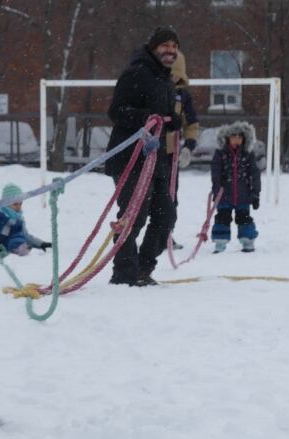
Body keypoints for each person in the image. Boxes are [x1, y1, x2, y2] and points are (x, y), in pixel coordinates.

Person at [104, 26, 182, 287]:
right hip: (131, 158)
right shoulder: (136, 72)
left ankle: (143, 268)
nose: (170, 51)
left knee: (165, 215)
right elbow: (116, 111)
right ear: (153, 47)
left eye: (174, 46)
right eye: (165, 45)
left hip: (155, 159)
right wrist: (144, 117)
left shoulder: (165, 80)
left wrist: (173, 121)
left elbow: (165, 115)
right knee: (133, 216)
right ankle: (124, 273)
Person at [166, 49, 200, 250]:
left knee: (170, 198)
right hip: (148, 153)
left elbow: (191, 123)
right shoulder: (150, 88)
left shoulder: (182, 96)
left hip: (171, 155)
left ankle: (166, 234)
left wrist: (189, 146)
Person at [210, 121, 261, 253]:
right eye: (233, 137)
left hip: (243, 195)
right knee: (222, 219)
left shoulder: (247, 155)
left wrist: (255, 194)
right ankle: (220, 243)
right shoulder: (221, 154)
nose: (236, 140)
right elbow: (215, 173)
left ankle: (247, 241)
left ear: (244, 139)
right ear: (227, 138)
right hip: (224, 195)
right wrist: (217, 191)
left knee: (244, 219)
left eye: (239, 137)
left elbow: (254, 174)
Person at [0, 183, 51, 256]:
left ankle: (19, 247)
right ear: (5, 203)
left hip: (8, 243)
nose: (18, 207)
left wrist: (40, 244)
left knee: (18, 235)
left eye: (20, 204)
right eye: (15, 204)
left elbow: (25, 235)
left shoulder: (18, 219)